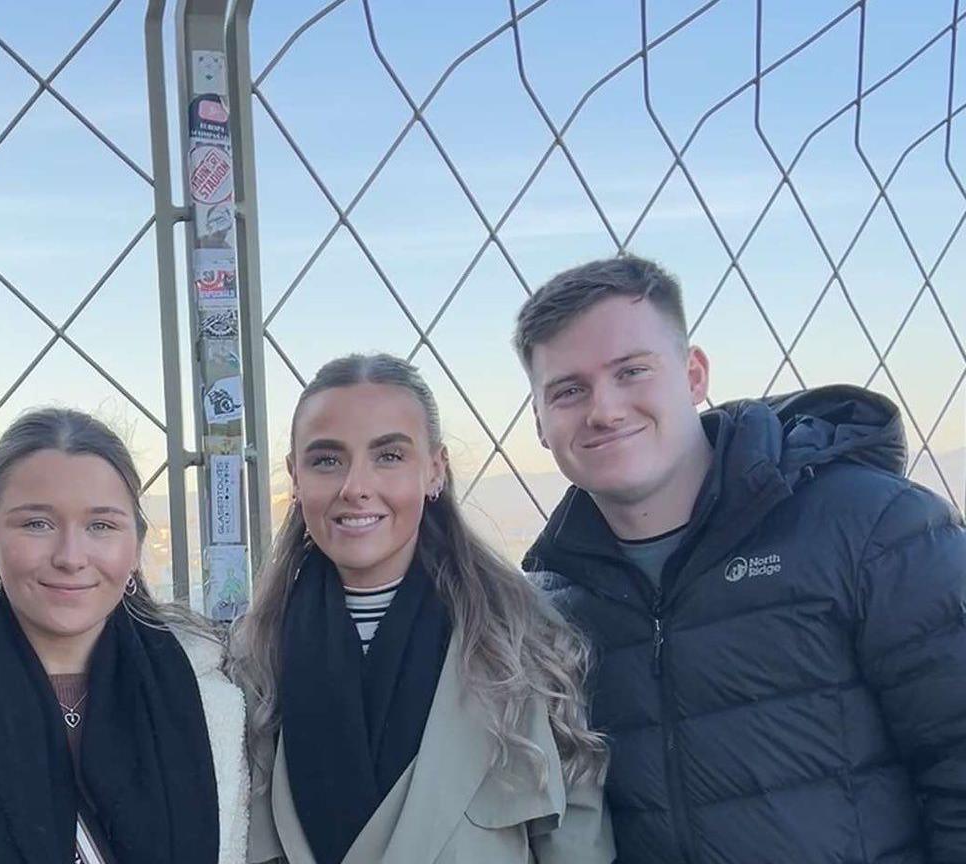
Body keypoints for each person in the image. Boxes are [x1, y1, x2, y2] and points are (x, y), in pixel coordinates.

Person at [516, 254, 966, 863]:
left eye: (632, 371)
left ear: (694, 374)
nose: (603, 409)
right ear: (540, 423)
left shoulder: (872, 529)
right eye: (568, 390)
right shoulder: (548, 602)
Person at [232, 353, 614, 864]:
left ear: (435, 470)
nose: (355, 487)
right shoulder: (250, 659)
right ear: (295, 479)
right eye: (327, 460)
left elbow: (577, 843)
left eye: (388, 456)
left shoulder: (523, 644)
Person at [0, 407, 248, 864]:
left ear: (136, 545)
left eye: (100, 526)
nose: (70, 556)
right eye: (37, 524)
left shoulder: (212, 702)